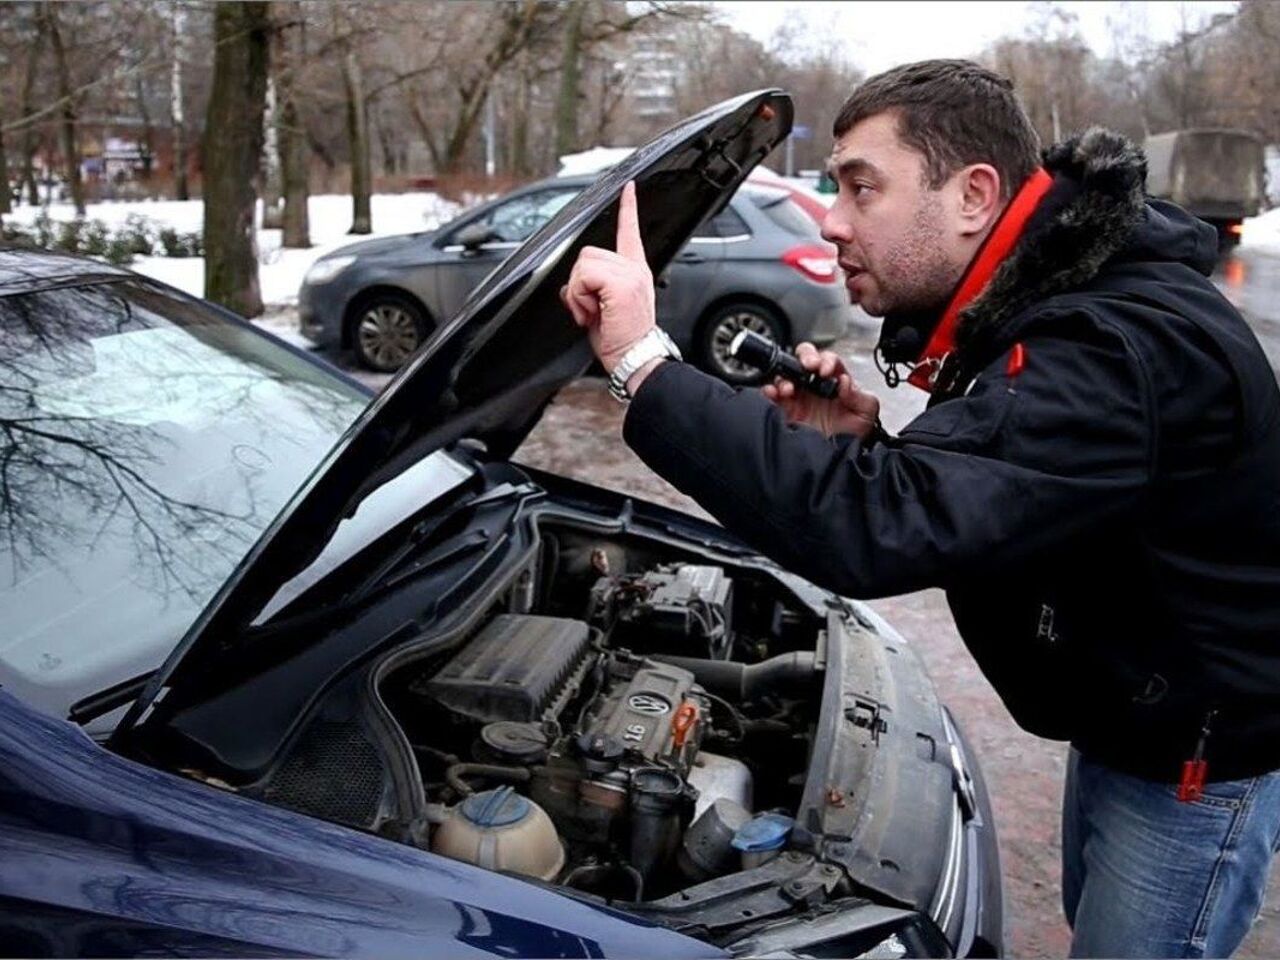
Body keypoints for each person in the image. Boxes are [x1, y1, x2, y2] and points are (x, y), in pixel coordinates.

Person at [560, 60, 1280, 959]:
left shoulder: (1109, 347)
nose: (830, 218)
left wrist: (644, 364)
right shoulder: (1051, 306)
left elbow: (889, 527)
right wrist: (864, 449)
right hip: (1129, 719)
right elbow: (1007, 495)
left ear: (974, 194)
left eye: (864, 188)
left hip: (1189, 765)